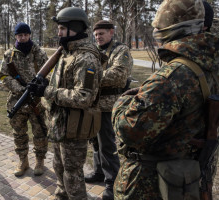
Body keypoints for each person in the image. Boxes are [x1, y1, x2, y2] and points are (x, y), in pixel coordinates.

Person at [112, 0, 219, 199]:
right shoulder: (209, 64)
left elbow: (129, 130)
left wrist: (122, 102)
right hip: (189, 172)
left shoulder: (172, 76)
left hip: (152, 181)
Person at [30, 7, 103, 199]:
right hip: (59, 123)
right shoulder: (66, 53)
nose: (58, 33)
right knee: (58, 166)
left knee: (72, 174)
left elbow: (84, 97)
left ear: (75, 28)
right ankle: (61, 195)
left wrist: (47, 91)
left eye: (62, 28)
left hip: (74, 126)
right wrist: (46, 85)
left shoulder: (86, 58)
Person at [84, 20, 133, 200]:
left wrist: (88, 78)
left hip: (109, 106)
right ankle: (99, 172)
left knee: (107, 146)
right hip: (94, 105)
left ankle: (113, 183)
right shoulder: (96, 51)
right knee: (95, 143)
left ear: (111, 33)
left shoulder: (121, 51)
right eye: (96, 35)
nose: (98, 37)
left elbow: (118, 75)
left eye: (101, 34)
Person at [0, 22, 49, 177]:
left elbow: (50, 73)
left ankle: (40, 160)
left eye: (26, 34)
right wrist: (20, 89)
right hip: (17, 101)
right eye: (20, 35)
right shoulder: (9, 55)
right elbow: (3, 76)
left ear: (29, 35)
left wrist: (39, 87)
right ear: (16, 36)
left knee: (40, 132)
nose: (23, 37)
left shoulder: (39, 53)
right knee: (19, 133)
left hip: (37, 102)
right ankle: (23, 160)